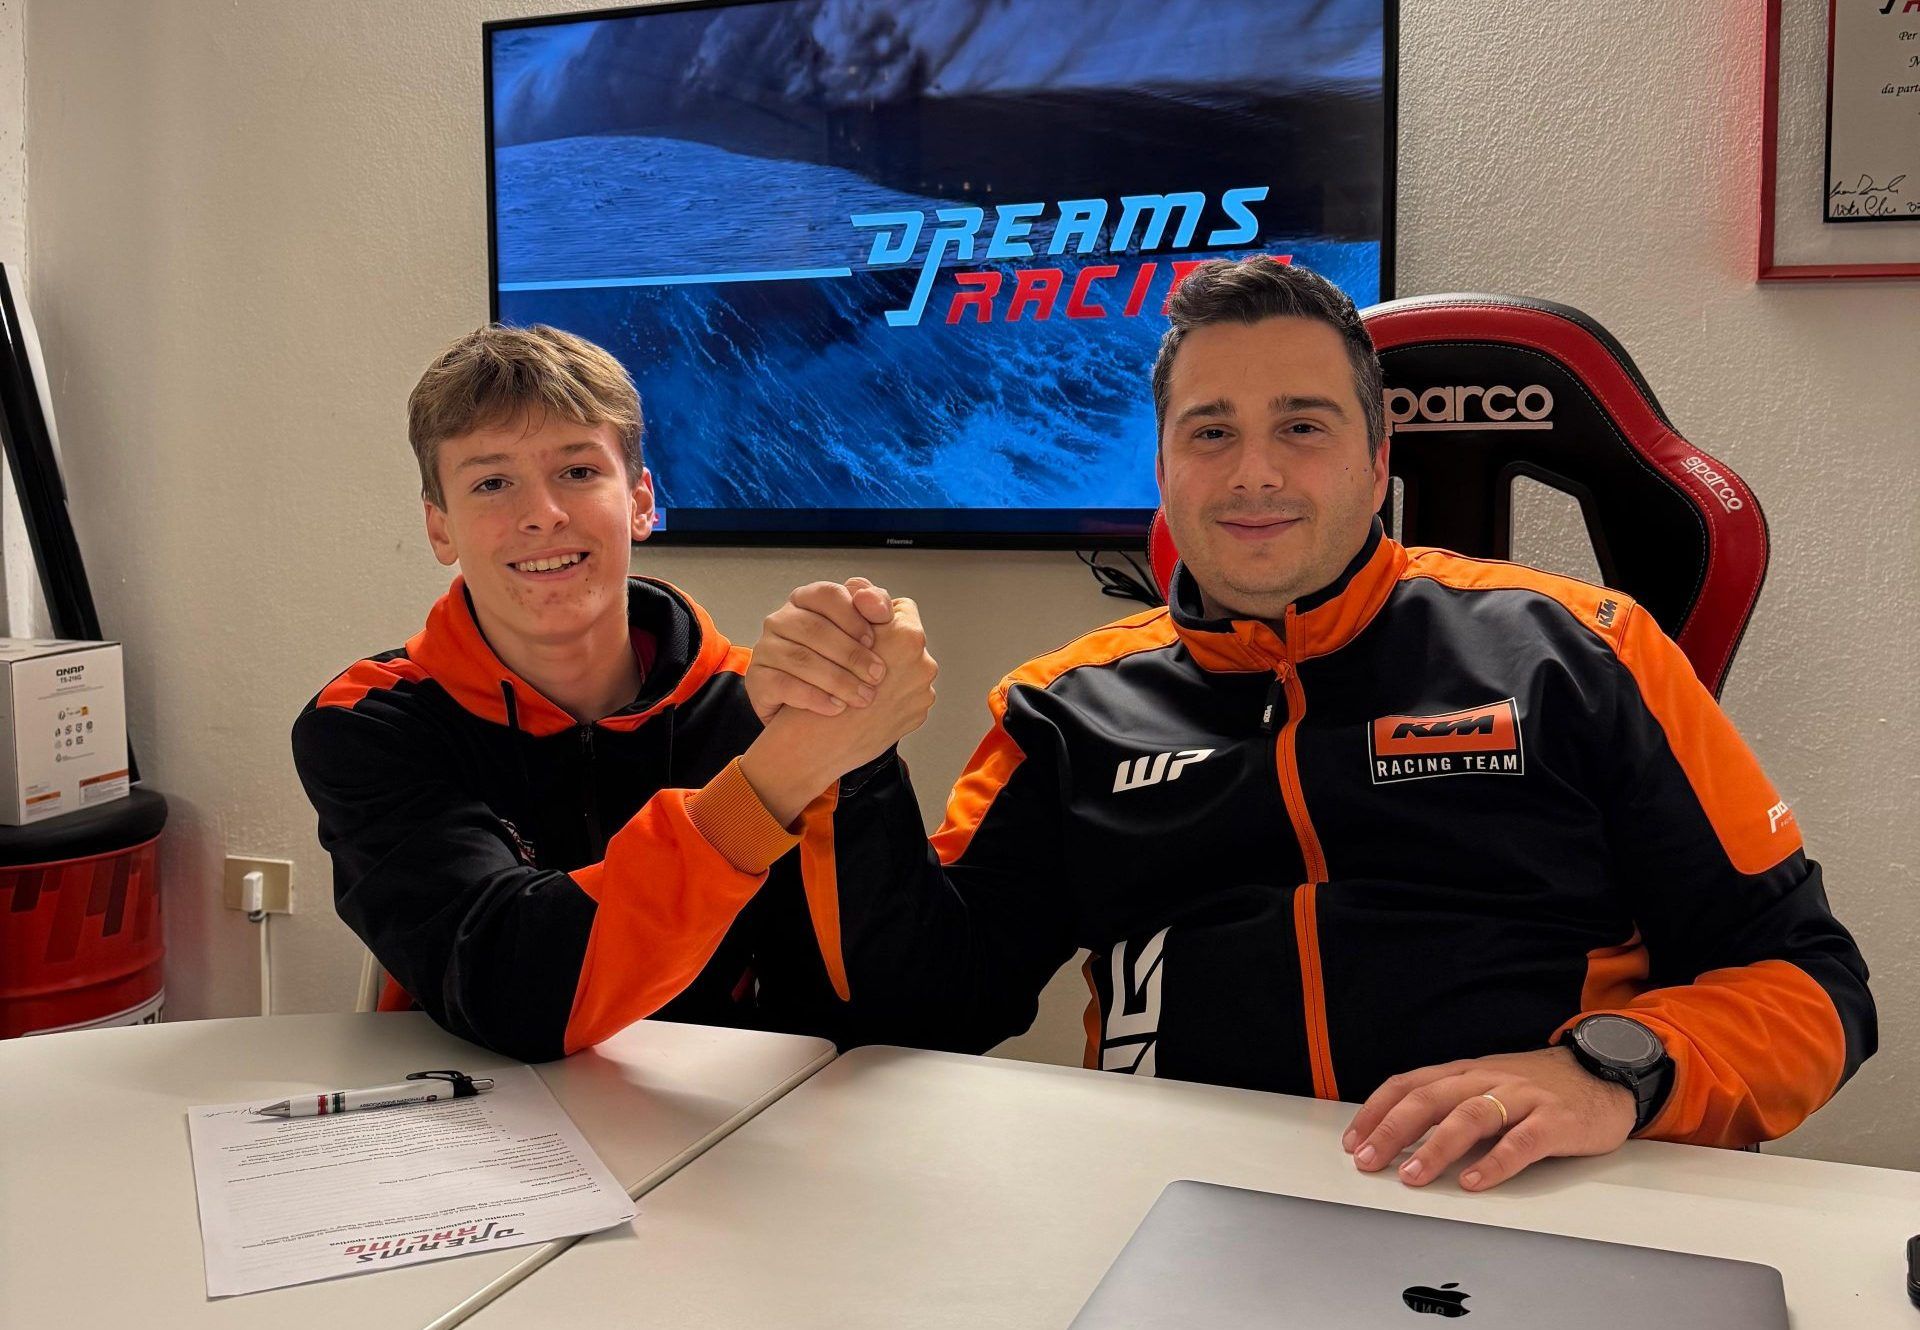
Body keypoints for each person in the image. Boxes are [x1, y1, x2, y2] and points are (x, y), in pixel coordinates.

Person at [757, 257, 1876, 1191]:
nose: (1255, 473)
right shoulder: (1064, 709)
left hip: (1519, 1200)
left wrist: (1610, 1072)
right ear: (1162, 467)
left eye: (1302, 425)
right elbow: (922, 1013)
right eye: (1210, 432)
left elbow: (1812, 983)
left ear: (1379, 459)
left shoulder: (1585, 652)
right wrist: (847, 759)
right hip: (1172, 1204)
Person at [291, 323, 936, 1061]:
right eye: (491, 483)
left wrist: (856, 746)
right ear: (441, 530)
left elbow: (905, 1012)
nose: (542, 514)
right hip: (472, 1108)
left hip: (722, 1110)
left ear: (640, 502)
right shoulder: (369, 721)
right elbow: (512, 991)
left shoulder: (767, 707)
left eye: (577, 471)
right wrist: (780, 776)